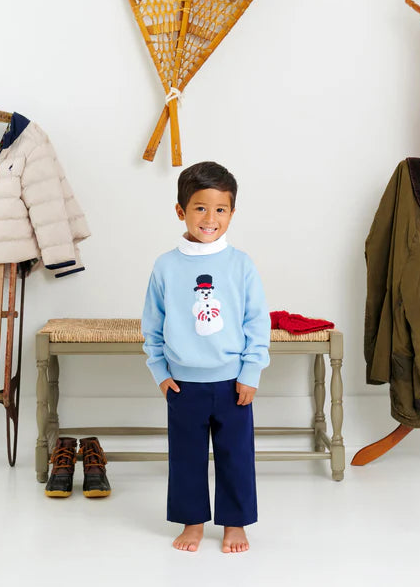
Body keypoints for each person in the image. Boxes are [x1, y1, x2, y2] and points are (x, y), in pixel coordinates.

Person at [141, 161, 270, 553]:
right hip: (183, 384)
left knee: (236, 457)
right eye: (200, 208)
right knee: (186, 458)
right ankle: (192, 522)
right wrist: (160, 372)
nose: (210, 218)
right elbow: (153, 324)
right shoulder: (166, 266)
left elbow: (256, 321)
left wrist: (250, 372)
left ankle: (235, 524)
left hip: (233, 384)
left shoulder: (240, 264)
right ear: (180, 211)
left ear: (232, 212)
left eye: (220, 209)